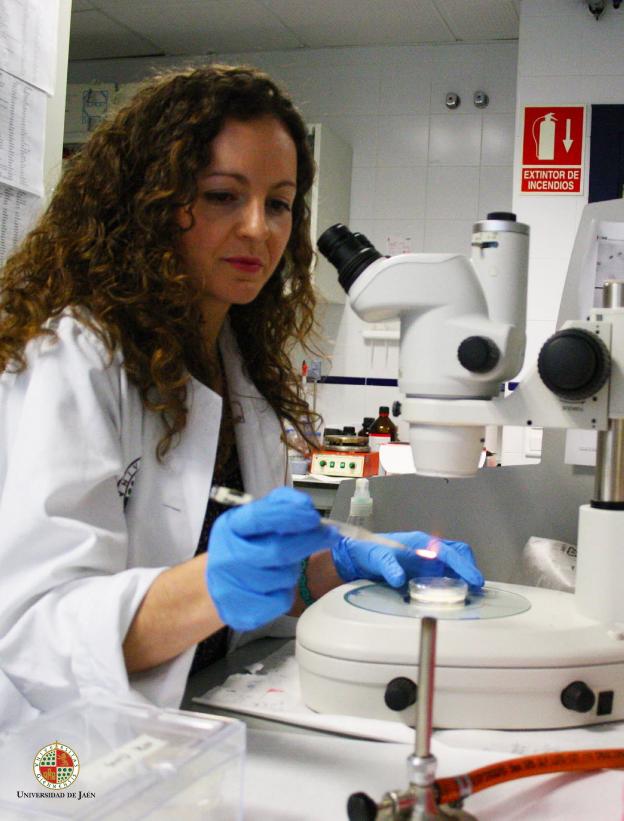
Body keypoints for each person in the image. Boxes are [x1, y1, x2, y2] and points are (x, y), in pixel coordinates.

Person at [0, 64, 483, 723]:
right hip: (69, 749)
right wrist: (209, 585)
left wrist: (344, 559)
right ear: (151, 199)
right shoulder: (75, 357)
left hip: (204, 712)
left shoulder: (242, 367)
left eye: (279, 203)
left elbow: (256, 578)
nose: (259, 227)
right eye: (225, 194)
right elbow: (32, 630)